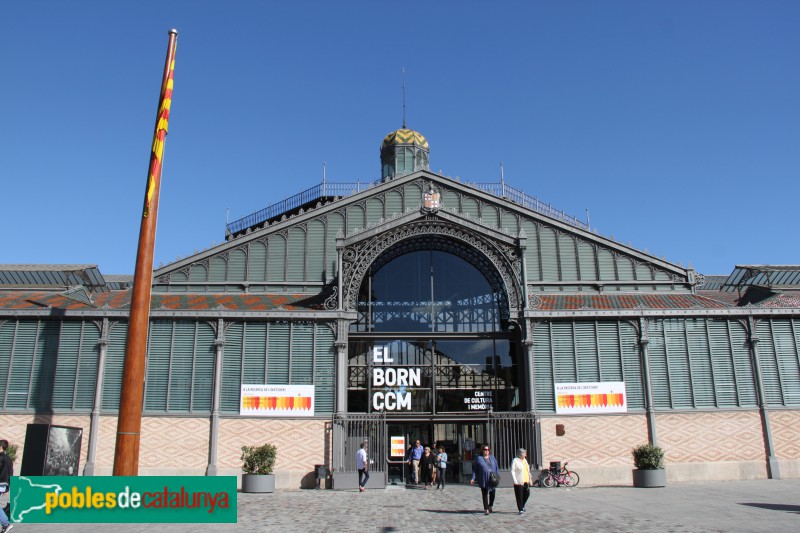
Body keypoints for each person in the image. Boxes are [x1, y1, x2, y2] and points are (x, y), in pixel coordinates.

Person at [470, 444, 499, 515]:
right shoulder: (479, 458)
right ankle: (486, 509)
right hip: (484, 478)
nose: (486, 451)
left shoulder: (492, 458)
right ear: (482, 450)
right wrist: (473, 478)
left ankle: (490, 505)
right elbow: (475, 470)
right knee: (484, 493)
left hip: (492, 478)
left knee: (492, 493)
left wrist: (497, 477)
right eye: (485, 450)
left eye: (488, 450)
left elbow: (496, 467)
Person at [511, 448, 531, 515]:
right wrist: (515, 480)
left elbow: (527, 469)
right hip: (519, 481)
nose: (525, 454)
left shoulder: (525, 460)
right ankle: (520, 509)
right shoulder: (515, 461)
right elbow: (512, 471)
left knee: (527, 493)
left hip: (526, 480)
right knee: (519, 495)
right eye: (524, 453)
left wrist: (529, 477)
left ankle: (522, 505)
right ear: (521, 454)